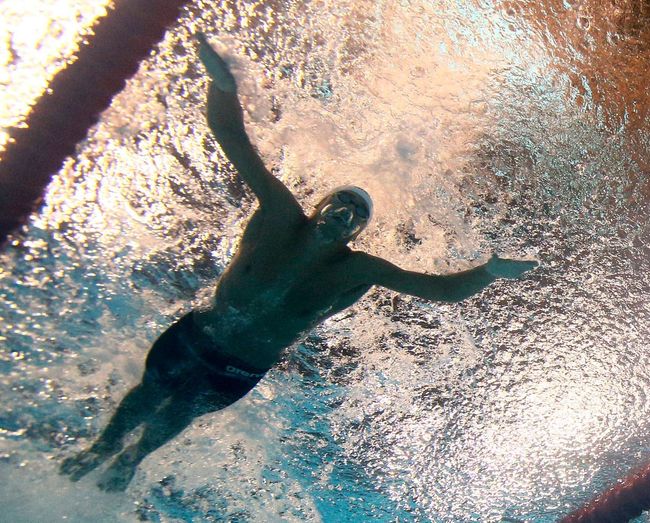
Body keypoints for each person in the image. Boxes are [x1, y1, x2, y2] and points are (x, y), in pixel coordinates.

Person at [60, 33, 538, 491]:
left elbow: (442, 291)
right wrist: (223, 85)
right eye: (341, 203)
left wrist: (489, 271)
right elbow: (230, 135)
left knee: (173, 416)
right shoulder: (277, 213)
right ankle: (99, 449)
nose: (346, 214)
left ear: (356, 234)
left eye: (356, 216)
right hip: (199, 333)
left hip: (240, 367)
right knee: (147, 394)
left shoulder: (358, 269)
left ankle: (131, 460)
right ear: (319, 206)